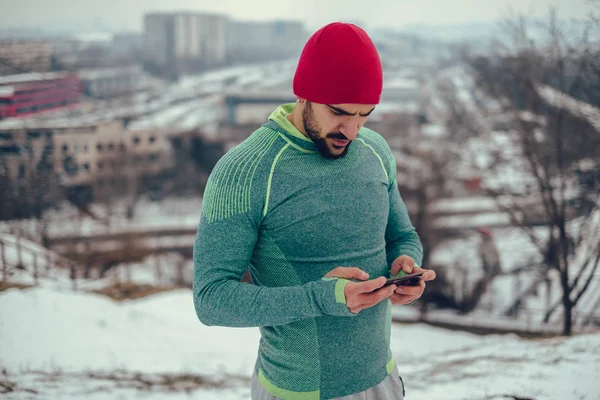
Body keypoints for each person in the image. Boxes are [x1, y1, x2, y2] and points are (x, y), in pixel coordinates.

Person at [193, 22, 436, 400]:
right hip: (296, 392)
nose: (352, 130)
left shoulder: (376, 151)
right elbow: (211, 299)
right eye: (340, 112)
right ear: (304, 94)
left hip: (383, 381)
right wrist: (320, 298)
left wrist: (405, 264)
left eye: (365, 114)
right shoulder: (244, 171)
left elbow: (402, 236)